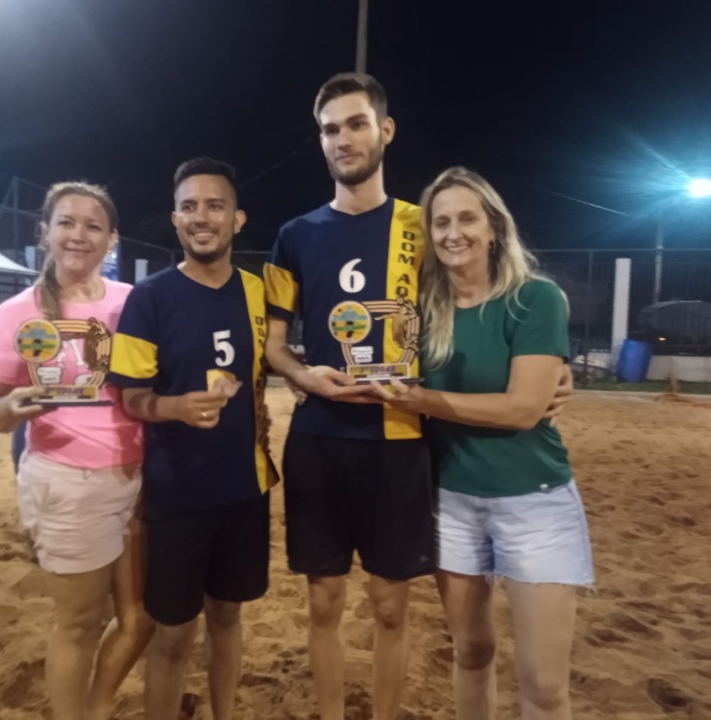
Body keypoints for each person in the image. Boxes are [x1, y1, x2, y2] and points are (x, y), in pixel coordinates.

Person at [263, 73, 574, 720]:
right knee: (322, 602)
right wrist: (302, 376)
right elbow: (274, 344)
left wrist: (552, 367)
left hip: (399, 439)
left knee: (390, 605)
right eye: (330, 129)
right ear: (320, 141)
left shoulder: (423, 229)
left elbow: (480, 299)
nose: (343, 139)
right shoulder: (294, 235)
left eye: (356, 124)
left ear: (385, 130)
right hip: (317, 437)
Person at [371, 166, 594, 720]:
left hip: (534, 501)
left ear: (494, 227)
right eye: (440, 221)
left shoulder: (535, 299)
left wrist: (426, 403)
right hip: (452, 503)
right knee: (470, 653)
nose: (453, 232)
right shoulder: (421, 309)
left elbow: (522, 410)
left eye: (466, 218)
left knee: (542, 682)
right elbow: (371, 364)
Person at [0, 182, 152, 720]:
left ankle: (96, 706)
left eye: (93, 225)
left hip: (140, 479)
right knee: (79, 625)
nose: (79, 235)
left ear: (112, 238)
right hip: (68, 481)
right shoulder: (17, 312)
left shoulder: (132, 303)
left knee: (141, 618)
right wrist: (13, 408)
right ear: (45, 231)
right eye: (67, 223)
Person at [107, 157, 277, 720]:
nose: (202, 217)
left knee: (228, 619)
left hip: (245, 491)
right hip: (177, 495)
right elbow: (130, 396)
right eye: (189, 207)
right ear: (175, 220)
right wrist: (174, 407)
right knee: (174, 634)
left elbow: (267, 372)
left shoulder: (257, 293)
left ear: (238, 218)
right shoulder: (149, 299)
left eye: (215, 205)